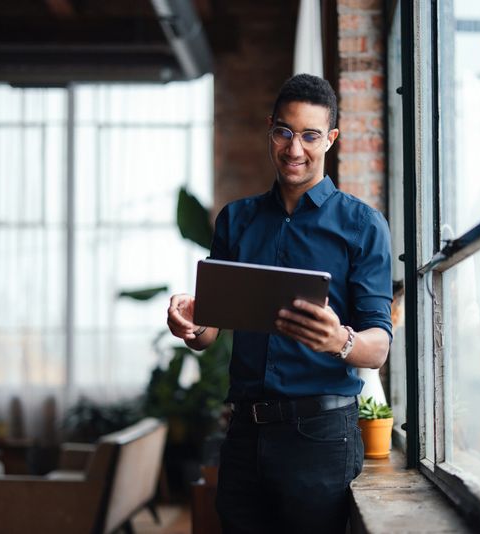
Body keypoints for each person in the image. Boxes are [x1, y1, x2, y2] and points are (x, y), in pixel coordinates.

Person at [167, 73, 393, 533]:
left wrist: (340, 339)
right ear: (271, 129)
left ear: (330, 139)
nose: (295, 149)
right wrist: (190, 322)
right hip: (245, 435)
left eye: (310, 136)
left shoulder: (363, 226)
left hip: (321, 437)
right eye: (285, 132)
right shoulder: (236, 220)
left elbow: (379, 345)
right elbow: (208, 333)